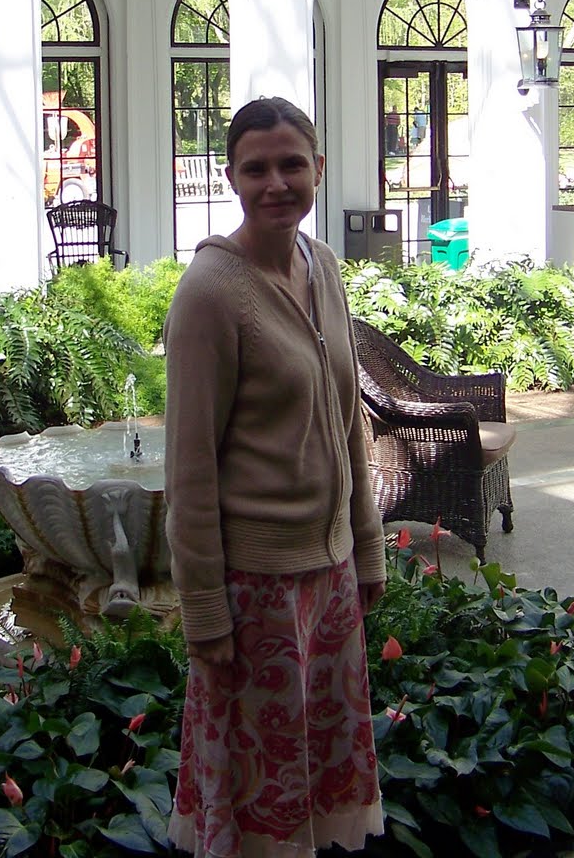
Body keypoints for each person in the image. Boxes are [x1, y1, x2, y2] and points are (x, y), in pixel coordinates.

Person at [163, 96, 387, 858]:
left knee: (315, 780)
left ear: (319, 167)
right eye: (256, 168)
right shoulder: (210, 294)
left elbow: (348, 417)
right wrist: (203, 611)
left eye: (292, 163)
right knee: (259, 790)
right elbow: (189, 467)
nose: (276, 182)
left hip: (327, 577)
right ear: (230, 178)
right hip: (254, 588)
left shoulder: (322, 266)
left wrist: (367, 546)